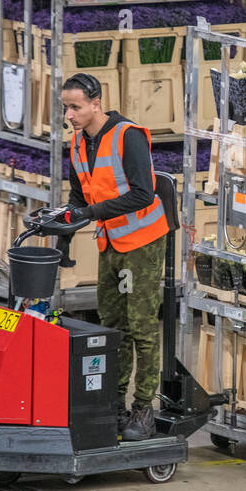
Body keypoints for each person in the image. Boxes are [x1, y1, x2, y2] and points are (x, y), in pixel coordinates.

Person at [62, 72, 168, 442]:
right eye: (66, 108)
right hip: (110, 242)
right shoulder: (77, 144)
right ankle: (115, 403)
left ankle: (144, 408)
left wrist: (91, 215)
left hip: (142, 241)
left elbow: (143, 194)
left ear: (96, 103)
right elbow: (80, 197)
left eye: (75, 107)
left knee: (141, 327)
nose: (69, 115)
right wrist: (64, 228)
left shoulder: (128, 136)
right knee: (112, 325)